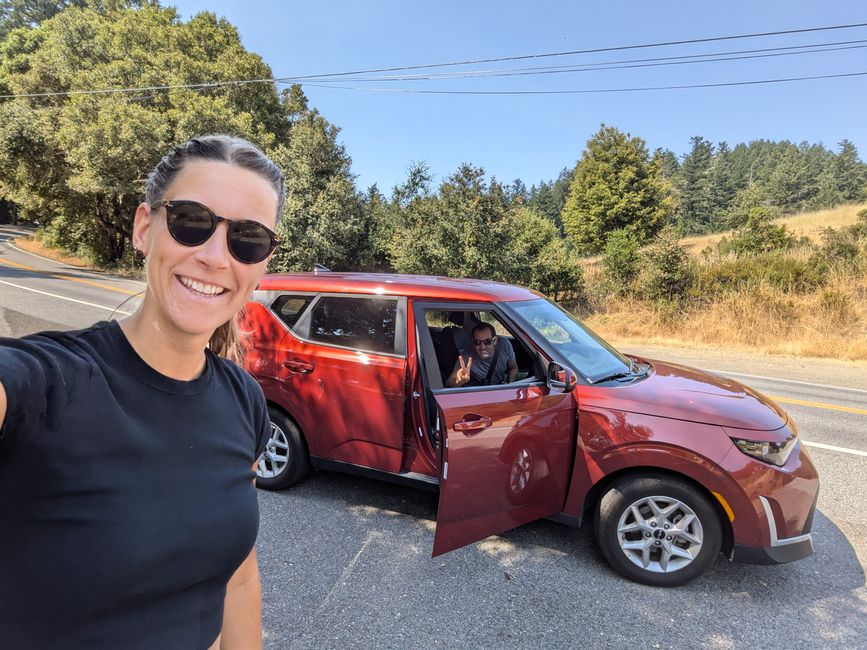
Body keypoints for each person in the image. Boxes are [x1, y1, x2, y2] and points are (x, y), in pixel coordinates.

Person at [0, 135, 284, 649]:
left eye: (248, 239)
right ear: (144, 228)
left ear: (262, 263)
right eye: (192, 222)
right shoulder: (49, 381)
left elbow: (237, 579)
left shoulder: (244, 399)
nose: (217, 257)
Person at [446, 321, 518, 387]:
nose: (482, 347)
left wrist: (509, 384)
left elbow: (513, 368)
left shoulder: (504, 344)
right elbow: (449, 384)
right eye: (477, 342)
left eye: (487, 341)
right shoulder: (467, 357)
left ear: (495, 340)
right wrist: (459, 380)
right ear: (472, 342)